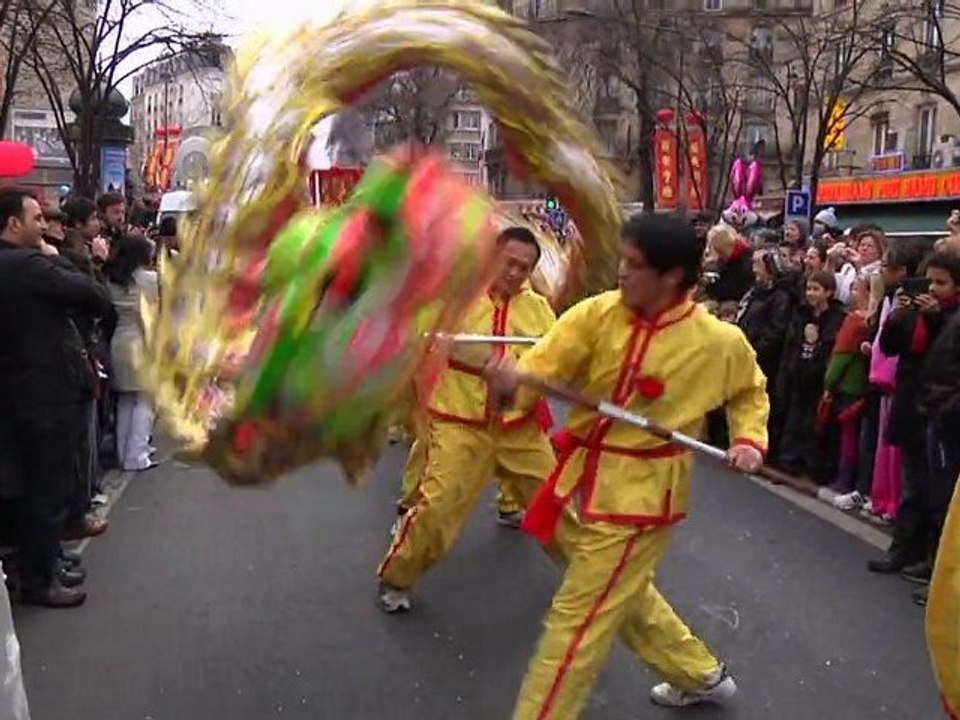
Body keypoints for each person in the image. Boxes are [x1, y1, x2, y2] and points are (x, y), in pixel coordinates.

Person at [485, 215, 768, 717]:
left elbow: (749, 390)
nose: (621, 272)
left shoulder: (716, 341)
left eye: (634, 266)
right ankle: (697, 673)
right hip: (585, 477)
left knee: (578, 618)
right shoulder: (595, 315)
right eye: (623, 259)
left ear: (673, 277)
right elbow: (542, 368)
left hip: (643, 496)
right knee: (617, 593)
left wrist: (749, 440)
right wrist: (513, 382)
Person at [377, 226, 557, 613]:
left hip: (517, 427)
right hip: (460, 421)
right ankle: (396, 577)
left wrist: (525, 371)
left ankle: (591, 579)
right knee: (438, 508)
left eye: (523, 268)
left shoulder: (539, 310)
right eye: (508, 263)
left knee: (555, 506)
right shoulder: (455, 300)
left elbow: (559, 358)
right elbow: (419, 338)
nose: (514, 273)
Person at [0, 187, 112, 607]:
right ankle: (40, 577)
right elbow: (94, 296)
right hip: (46, 393)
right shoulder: (31, 265)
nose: (45, 227)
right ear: (13, 224)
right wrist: (57, 259)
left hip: (20, 390)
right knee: (47, 487)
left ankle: (43, 561)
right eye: (36, 220)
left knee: (32, 486)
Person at [774, 270, 846, 480]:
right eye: (809, 289)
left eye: (816, 289)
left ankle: (810, 464)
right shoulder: (801, 313)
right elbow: (792, 344)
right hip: (799, 372)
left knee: (813, 423)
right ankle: (788, 460)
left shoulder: (836, 318)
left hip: (818, 376)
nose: (811, 294)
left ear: (829, 292)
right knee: (794, 418)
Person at [105, 234, 159, 472]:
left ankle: (123, 452)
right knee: (145, 400)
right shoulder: (150, 280)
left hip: (118, 341)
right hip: (141, 342)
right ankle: (137, 454)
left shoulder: (111, 279)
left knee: (126, 401)